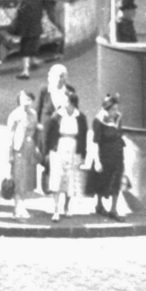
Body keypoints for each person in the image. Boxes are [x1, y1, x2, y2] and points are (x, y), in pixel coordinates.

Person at [44, 84, 88, 222]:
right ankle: (56, 209)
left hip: (74, 148)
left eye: (67, 101)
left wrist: (83, 155)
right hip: (58, 148)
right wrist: (47, 152)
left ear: (73, 103)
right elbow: (49, 135)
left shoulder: (80, 118)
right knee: (57, 177)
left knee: (70, 179)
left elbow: (83, 137)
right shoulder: (56, 116)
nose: (64, 104)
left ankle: (67, 207)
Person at [89, 93, 127, 220]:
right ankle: (99, 205)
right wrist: (97, 161)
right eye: (112, 110)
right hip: (104, 153)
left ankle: (113, 209)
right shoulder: (99, 120)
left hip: (117, 152)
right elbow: (95, 142)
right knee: (102, 179)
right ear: (106, 109)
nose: (115, 112)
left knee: (117, 179)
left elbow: (119, 133)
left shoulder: (118, 118)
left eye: (116, 109)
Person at [34, 63, 70, 194]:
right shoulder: (45, 90)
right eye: (60, 76)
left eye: (65, 76)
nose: (63, 79)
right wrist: (37, 126)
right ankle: (45, 182)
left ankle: (55, 183)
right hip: (46, 128)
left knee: (58, 153)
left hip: (61, 127)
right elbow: (38, 110)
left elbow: (74, 110)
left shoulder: (69, 91)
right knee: (46, 155)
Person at [7, 90, 40, 219]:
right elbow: (10, 135)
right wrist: (9, 154)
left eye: (28, 99)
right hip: (18, 149)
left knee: (27, 179)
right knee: (18, 177)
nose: (26, 102)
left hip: (30, 148)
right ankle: (18, 206)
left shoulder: (34, 114)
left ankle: (21, 204)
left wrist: (36, 147)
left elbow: (35, 131)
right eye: (23, 99)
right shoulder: (14, 115)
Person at [10, 0, 44, 80]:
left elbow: (23, 19)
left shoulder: (25, 3)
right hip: (37, 28)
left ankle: (25, 72)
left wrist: (20, 33)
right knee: (32, 49)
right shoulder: (38, 1)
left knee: (25, 52)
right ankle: (34, 62)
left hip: (28, 31)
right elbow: (40, 14)